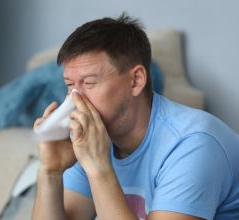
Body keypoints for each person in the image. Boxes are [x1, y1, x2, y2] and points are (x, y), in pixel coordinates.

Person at [32, 13, 239, 220]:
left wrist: (98, 167)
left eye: (88, 83)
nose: (74, 100)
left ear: (136, 80)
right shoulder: (93, 139)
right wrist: (50, 172)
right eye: (70, 85)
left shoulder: (194, 144)